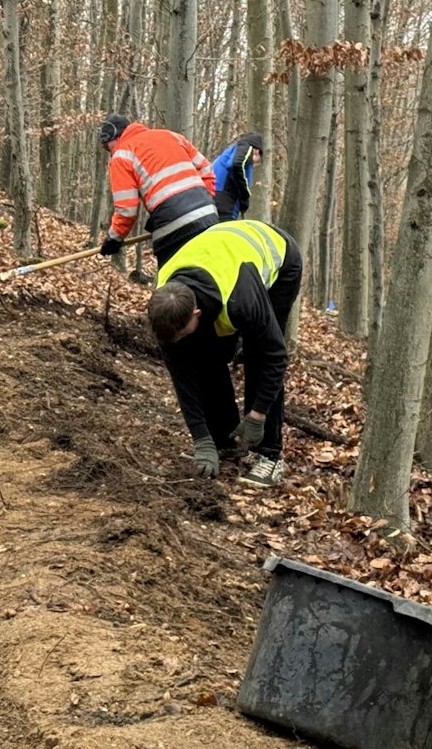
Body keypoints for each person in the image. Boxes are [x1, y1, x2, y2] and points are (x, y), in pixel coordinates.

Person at [144, 218, 302, 490]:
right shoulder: (165, 306)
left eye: (182, 333)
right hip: (218, 256)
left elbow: (275, 356)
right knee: (203, 356)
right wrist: (202, 439)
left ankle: (269, 454)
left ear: (196, 314)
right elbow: (182, 375)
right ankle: (226, 439)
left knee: (257, 354)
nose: (176, 341)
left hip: (279, 258)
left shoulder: (241, 299)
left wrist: (257, 415)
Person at [96, 112, 219, 266]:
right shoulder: (171, 136)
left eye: (107, 146)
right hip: (209, 214)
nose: (110, 151)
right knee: (211, 272)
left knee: (175, 281)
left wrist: (113, 239)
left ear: (115, 137)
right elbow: (207, 169)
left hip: (172, 225)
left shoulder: (121, 156)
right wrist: (203, 202)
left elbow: (126, 210)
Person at [210, 131, 265, 220]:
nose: (254, 165)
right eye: (256, 162)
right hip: (226, 203)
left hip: (212, 198)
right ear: (257, 152)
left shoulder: (228, 153)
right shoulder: (247, 148)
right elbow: (237, 164)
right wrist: (245, 196)